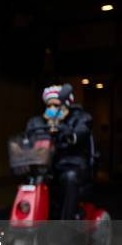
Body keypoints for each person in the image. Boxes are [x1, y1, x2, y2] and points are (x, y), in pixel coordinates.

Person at [25, 83, 94, 220]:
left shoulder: (80, 118)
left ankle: (65, 226)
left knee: (69, 177)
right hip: (48, 167)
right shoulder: (38, 121)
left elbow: (82, 131)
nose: (52, 109)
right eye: (49, 105)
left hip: (72, 165)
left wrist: (66, 130)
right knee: (33, 182)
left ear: (66, 105)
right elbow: (29, 138)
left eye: (56, 105)